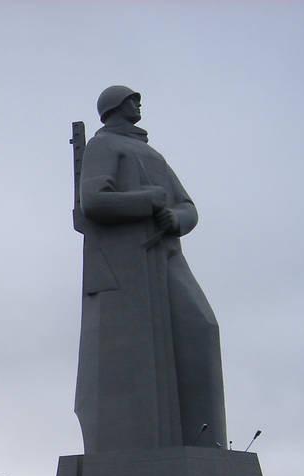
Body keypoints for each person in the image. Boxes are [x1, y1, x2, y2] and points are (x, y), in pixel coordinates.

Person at [75, 86, 226, 453]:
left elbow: (188, 206)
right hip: (126, 265)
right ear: (114, 107)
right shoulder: (104, 147)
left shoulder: (150, 153)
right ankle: (136, 447)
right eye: (131, 98)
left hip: (166, 253)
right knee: (135, 358)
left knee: (201, 328)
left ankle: (206, 447)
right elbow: (92, 201)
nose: (138, 103)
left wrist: (173, 218)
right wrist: (149, 200)